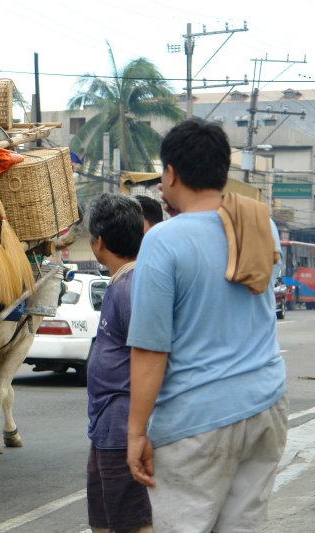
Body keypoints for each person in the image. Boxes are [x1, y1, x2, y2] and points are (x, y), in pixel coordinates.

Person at [126, 117, 287, 532]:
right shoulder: (260, 224)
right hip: (265, 404)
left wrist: (136, 433)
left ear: (173, 173)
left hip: (196, 421)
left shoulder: (163, 240)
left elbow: (150, 349)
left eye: (162, 172)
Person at [85, 193, 152, 533]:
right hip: (107, 428)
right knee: (107, 519)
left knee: (130, 521)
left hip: (123, 428)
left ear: (98, 243)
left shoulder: (130, 288)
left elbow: (150, 359)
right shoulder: (123, 283)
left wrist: (139, 432)